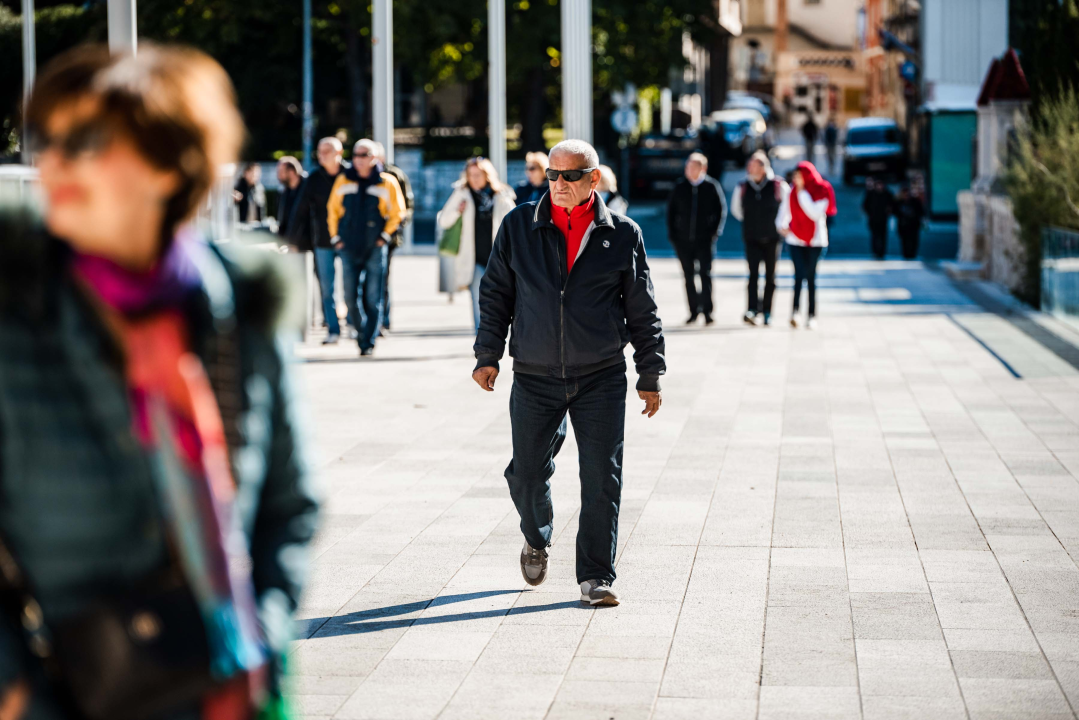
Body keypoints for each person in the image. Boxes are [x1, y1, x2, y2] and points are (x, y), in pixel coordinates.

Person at [2, 43, 320, 719]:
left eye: (83, 142)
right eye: (45, 141)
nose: (52, 163)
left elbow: (291, 504)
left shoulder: (244, 307)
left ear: (170, 163)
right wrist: (19, 694)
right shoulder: (15, 318)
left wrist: (262, 634)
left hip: (228, 694)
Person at [473, 139, 665, 607]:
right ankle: (536, 536)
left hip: (601, 374)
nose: (558, 184)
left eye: (570, 175)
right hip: (534, 374)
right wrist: (487, 353)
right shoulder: (519, 225)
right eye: (552, 175)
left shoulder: (623, 233)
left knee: (602, 477)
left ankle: (596, 576)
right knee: (526, 473)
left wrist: (650, 372)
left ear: (593, 179)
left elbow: (643, 308)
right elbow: (496, 293)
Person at [326, 138, 405, 356]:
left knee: (373, 297)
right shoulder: (343, 180)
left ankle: (368, 341)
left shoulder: (387, 182)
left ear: (374, 158)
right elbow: (332, 210)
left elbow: (398, 212)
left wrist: (384, 237)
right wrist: (336, 238)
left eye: (363, 155)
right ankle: (360, 331)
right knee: (350, 297)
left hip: (374, 247)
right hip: (348, 246)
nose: (358, 159)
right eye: (356, 155)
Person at [437, 157, 516, 330]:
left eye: (478, 174)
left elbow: (514, 223)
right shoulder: (462, 193)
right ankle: (481, 337)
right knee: (478, 298)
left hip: (498, 257)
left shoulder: (501, 195)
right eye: (470, 175)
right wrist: (458, 210)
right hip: (473, 259)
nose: (474, 179)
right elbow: (444, 221)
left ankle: (497, 333)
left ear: (487, 175)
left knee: (499, 299)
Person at [290, 137, 350, 343]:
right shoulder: (314, 178)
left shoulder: (350, 175)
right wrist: (292, 239)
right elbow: (300, 210)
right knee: (326, 288)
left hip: (349, 239)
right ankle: (333, 329)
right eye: (319, 151)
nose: (321, 155)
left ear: (339, 153)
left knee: (352, 286)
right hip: (322, 240)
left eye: (327, 151)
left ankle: (353, 325)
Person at [666, 152, 727, 325]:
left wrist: (714, 232)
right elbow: (671, 212)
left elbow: (720, 210)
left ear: (702, 168)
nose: (689, 170)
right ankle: (693, 311)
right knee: (688, 275)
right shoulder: (680, 186)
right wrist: (673, 235)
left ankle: (707, 311)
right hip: (683, 240)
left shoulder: (711, 186)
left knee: (705, 274)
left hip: (704, 240)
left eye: (693, 167)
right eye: (688, 167)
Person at [730, 150, 789, 326]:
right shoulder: (743, 186)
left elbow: (787, 208)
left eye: (753, 165)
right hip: (751, 237)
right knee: (753, 275)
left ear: (763, 168)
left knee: (770, 276)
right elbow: (737, 210)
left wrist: (779, 225)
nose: (749, 168)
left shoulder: (778, 185)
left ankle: (768, 311)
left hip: (772, 238)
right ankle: (752, 309)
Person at [777, 161, 836, 329]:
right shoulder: (792, 191)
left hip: (816, 241)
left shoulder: (821, 190)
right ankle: (795, 312)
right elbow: (783, 212)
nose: (796, 180)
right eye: (795, 177)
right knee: (798, 276)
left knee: (810, 277)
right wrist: (781, 226)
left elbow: (814, 213)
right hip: (795, 240)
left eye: (799, 176)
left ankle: (811, 315)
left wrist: (802, 193)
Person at [371, 141, 414, 331]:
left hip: (388, 238)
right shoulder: (356, 175)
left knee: (382, 279)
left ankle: (383, 320)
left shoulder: (394, 175)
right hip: (364, 238)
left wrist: (395, 229)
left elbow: (407, 206)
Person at [275, 155, 306, 244]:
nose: (278, 175)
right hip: (289, 243)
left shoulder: (308, 188)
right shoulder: (285, 192)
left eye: (281, 171)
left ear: (291, 172)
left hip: (307, 244)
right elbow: (283, 221)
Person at [862, 177, 894, 259]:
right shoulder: (871, 194)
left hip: (883, 219)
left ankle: (882, 252)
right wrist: (870, 213)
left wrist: (889, 212)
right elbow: (865, 205)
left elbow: (892, 205)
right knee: (874, 235)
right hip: (873, 218)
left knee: (883, 236)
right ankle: (875, 251)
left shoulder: (887, 194)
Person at [894, 185, 925, 260]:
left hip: (913, 225)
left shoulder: (915, 201)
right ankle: (906, 255)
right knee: (904, 241)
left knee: (913, 241)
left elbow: (921, 212)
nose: (906, 196)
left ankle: (912, 254)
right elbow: (895, 212)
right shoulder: (899, 202)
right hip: (903, 225)